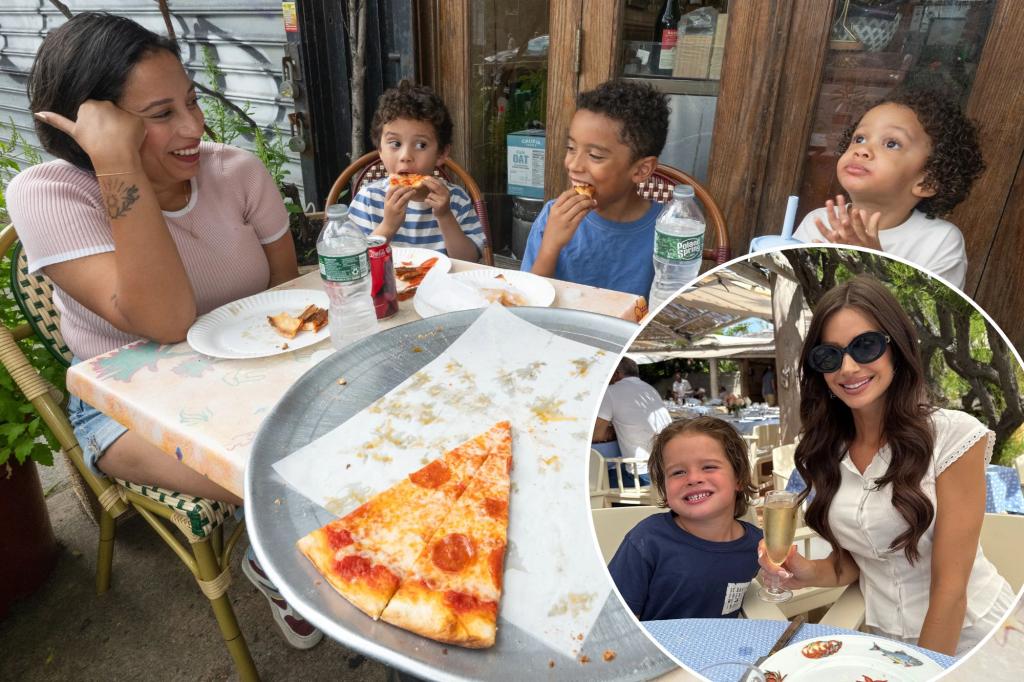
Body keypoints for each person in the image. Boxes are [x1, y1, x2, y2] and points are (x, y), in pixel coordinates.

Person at [6, 13, 319, 649]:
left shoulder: (235, 172)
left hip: (251, 377)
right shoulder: (49, 194)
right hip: (126, 409)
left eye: (192, 101)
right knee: (282, 464)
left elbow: (289, 301)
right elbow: (166, 321)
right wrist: (117, 164)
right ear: (93, 125)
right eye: (159, 113)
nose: (192, 129)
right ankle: (272, 561)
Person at [758, 275, 1014, 656]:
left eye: (865, 346)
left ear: (896, 348)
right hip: (883, 643)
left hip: (971, 639)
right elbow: (860, 561)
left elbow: (950, 590)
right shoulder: (826, 451)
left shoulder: (954, 437)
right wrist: (807, 572)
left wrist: (925, 668)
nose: (847, 368)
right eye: (829, 355)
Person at [792, 90, 984, 290]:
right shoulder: (819, 222)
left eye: (891, 144)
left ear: (928, 181)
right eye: (859, 139)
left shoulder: (939, 242)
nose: (862, 150)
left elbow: (930, 319)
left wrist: (874, 264)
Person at [520, 80, 670, 298]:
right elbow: (527, 301)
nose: (573, 165)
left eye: (595, 156)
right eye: (571, 148)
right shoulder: (553, 217)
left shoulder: (667, 232)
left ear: (641, 170)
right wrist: (550, 246)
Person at [608, 416, 761, 620]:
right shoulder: (646, 540)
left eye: (709, 467)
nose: (693, 479)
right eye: (678, 472)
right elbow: (616, 621)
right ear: (664, 488)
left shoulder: (756, 545)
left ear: (739, 478)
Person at [348, 81, 484, 260]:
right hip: (387, 287)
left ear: (441, 154)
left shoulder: (456, 200)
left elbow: (470, 260)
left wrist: (445, 216)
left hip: (443, 287)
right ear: (380, 150)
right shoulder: (368, 200)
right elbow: (354, 263)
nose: (406, 156)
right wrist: (388, 226)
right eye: (395, 144)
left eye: (421, 145)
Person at [592, 357, 671, 488]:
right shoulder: (650, 390)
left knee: (593, 483)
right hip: (664, 468)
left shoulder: (611, 392)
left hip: (642, 474)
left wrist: (611, 430)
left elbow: (596, 435)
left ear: (616, 373)